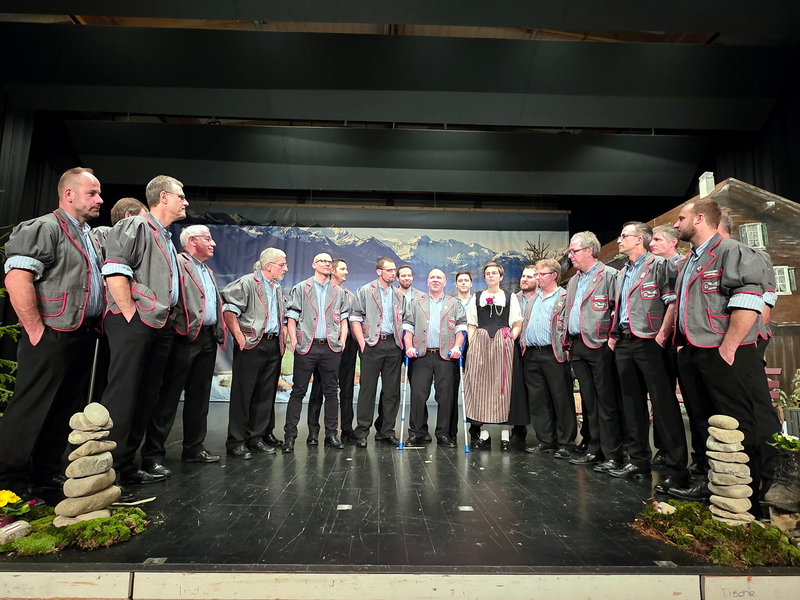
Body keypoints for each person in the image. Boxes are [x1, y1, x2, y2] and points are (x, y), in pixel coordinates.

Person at [667, 199, 779, 517]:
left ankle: (753, 497)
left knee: (740, 424)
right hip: (694, 351)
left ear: (700, 218)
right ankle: (716, 488)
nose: (676, 224)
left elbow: (749, 299)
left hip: (724, 351)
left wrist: (729, 346)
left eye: (681, 218)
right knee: (706, 423)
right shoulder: (689, 261)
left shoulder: (733, 251)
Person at [0, 167, 104, 502]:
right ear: (69, 194)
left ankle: (44, 475)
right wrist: (35, 330)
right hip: (51, 333)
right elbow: (17, 278)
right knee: (32, 406)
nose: (100, 199)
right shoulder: (44, 227)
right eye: (92, 193)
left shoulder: (88, 234)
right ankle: (8, 480)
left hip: (81, 332)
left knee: (64, 407)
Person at [101, 175, 188, 486]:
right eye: (180, 196)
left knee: (145, 396)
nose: (185, 202)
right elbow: (115, 269)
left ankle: (125, 466)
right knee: (124, 395)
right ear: (163, 197)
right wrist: (130, 315)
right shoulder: (135, 225)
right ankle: (106, 472)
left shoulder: (164, 234)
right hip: (135, 322)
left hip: (159, 324)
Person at [607, 222, 689, 490]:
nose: (619, 240)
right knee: (631, 404)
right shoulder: (622, 272)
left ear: (639, 240)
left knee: (663, 404)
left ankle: (677, 468)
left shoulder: (660, 265)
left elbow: (672, 302)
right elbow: (619, 308)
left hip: (651, 341)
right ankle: (638, 461)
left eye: (624, 236)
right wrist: (614, 336)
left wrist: (663, 334)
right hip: (625, 341)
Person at [141, 225, 226, 467]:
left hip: (207, 338)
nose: (213, 243)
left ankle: (194, 448)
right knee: (168, 398)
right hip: (183, 338)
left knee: (199, 397)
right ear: (192, 241)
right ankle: (153, 455)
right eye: (207, 238)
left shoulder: (207, 270)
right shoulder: (178, 263)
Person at [564, 231, 624, 473]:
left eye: (574, 251)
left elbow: (618, 309)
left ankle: (613, 454)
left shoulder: (609, 275)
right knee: (589, 401)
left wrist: (612, 340)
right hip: (578, 345)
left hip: (600, 345)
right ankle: (594, 448)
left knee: (606, 401)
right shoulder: (573, 281)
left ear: (589, 251)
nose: (570, 256)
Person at [221, 248, 288, 460]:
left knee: (265, 394)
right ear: (268, 266)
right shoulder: (248, 282)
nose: (285, 268)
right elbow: (229, 309)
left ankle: (256, 438)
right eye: (281, 264)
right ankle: (236, 442)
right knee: (243, 394)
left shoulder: (276, 287)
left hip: (272, 344)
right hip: (252, 344)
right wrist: (239, 336)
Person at [282, 253, 350, 453]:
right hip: (307, 346)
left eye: (329, 262)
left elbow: (344, 319)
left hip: (330, 347)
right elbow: (292, 318)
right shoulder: (301, 288)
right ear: (314, 264)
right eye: (323, 261)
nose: (327, 264)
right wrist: (294, 342)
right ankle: (290, 437)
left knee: (331, 392)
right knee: (298, 391)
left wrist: (342, 340)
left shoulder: (339, 292)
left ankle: (331, 434)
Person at [402, 269, 466, 447]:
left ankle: (443, 433)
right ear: (427, 281)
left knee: (445, 397)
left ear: (445, 282)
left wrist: (457, 347)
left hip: (445, 356)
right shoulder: (416, 302)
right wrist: (409, 346)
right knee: (418, 395)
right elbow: (408, 328)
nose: (435, 280)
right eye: (432, 278)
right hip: (421, 355)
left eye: (439, 278)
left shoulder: (455, 304)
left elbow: (461, 329)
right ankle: (417, 432)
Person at [463, 262, 522, 449]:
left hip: (502, 344)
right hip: (481, 343)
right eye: (488, 273)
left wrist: (509, 339)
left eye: (494, 273)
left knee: (502, 386)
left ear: (501, 276)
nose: (491, 276)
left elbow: (517, 323)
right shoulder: (477, 297)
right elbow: (471, 323)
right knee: (482, 387)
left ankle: (505, 434)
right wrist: (473, 344)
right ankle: (484, 433)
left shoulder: (509, 297)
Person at [521, 259, 576, 458]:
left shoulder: (564, 297)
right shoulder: (533, 299)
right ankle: (545, 441)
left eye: (541, 274)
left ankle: (566, 443)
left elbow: (570, 323)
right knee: (539, 400)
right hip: (532, 353)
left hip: (553, 353)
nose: (537, 278)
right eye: (536, 274)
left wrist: (568, 347)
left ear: (553, 275)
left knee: (561, 399)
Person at [350, 257, 406, 448]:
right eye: (389, 270)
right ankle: (362, 432)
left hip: (393, 345)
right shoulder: (365, 291)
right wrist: (362, 343)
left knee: (392, 391)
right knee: (367, 389)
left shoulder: (398, 294)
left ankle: (386, 431)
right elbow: (355, 318)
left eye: (394, 270)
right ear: (379, 271)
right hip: (372, 344)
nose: (393, 273)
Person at [307, 258, 357, 442]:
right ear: (333, 271)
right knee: (319, 387)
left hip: (347, 345)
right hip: (326, 345)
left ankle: (346, 429)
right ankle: (313, 431)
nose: (346, 272)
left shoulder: (349, 295)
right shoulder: (321, 292)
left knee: (347, 387)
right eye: (342, 269)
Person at [452, 270, 475, 441]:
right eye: (460, 280)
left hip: (474, 346)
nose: (463, 283)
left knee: (474, 388)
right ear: (456, 284)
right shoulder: (451, 302)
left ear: (471, 283)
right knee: (452, 388)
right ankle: (451, 431)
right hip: (455, 346)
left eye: (466, 280)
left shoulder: (477, 301)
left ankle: (476, 430)